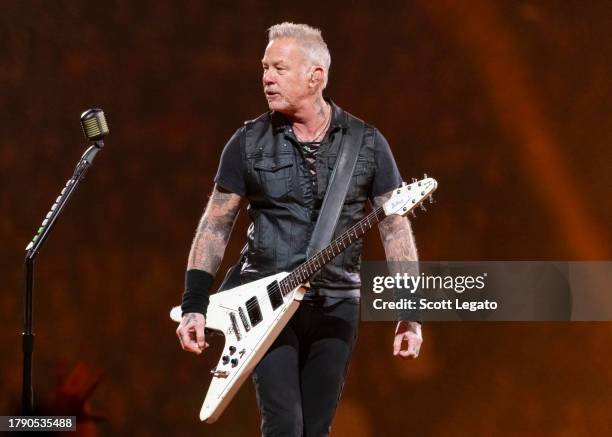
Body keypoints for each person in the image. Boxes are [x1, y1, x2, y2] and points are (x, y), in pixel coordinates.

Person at [176, 22, 422, 437]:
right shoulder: (247, 142)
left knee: (316, 428)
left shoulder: (368, 143)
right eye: (264, 68)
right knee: (284, 425)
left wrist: (410, 314)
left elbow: (395, 231)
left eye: (279, 68)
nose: (266, 78)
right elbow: (215, 226)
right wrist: (194, 303)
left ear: (315, 76)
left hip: (337, 305)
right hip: (265, 303)